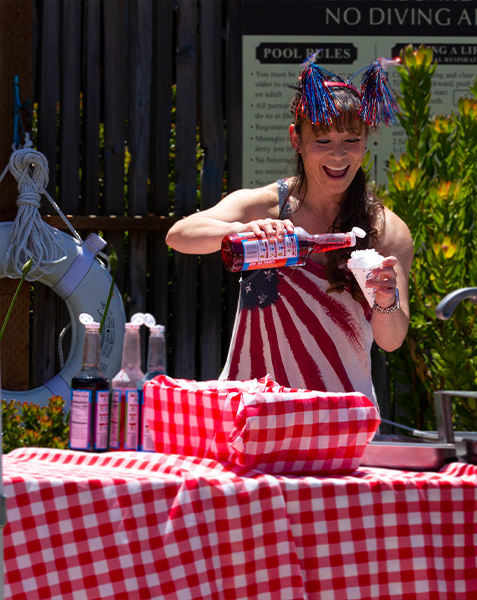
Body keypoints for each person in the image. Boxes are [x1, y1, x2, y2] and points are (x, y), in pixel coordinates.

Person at [166, 56, 413, 404]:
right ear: (296, 139)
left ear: (365, 141)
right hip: (253, 405)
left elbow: (392, 340)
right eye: (322, 141)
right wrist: (243, 228)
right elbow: (179, 235)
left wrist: (386, 300)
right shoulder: (267, 206)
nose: (338, 155)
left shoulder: (385, 229)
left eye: (351, 140)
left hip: (340, 412)